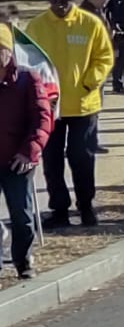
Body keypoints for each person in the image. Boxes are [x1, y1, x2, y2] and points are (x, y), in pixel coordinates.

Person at [22, 0, 114, 227]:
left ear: (72, 1)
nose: (58, 7)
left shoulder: (90, 23)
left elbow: (104, 57)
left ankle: (86, 206)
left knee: (81, 157)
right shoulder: (38, 26)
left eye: (63, 2)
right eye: (53, 2)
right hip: (50, 106)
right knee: (52, 159)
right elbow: (27, 61)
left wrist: (90, 81)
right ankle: (59, 209)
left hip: (83, 103)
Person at [0, 23, 56, 278]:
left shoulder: (27, 79)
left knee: (22, 217)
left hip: (17, 161)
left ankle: (23, 262)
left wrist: (29, 151)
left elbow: (43, 119)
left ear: (8, 52)